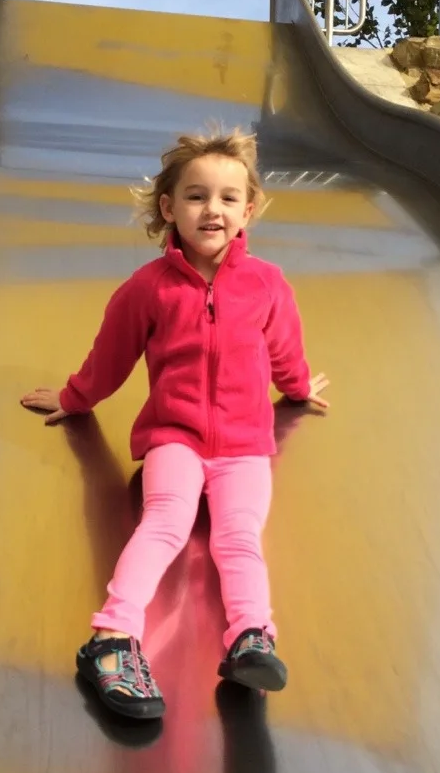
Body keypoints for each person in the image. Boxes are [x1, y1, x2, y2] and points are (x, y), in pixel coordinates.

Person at [21, 129, 329, 721]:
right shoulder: (149, 289)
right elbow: (110, 357)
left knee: (238, 537)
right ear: (169, 208)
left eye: (228, 198)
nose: (212, 209)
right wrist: (74, 397)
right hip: (175, 437)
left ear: (249, 210)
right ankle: (112, 638)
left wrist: (296, 390)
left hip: (244, 447)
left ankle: (250, 637)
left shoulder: (267, 284)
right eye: (196, 196)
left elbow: (286, 352)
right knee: (166, 520)